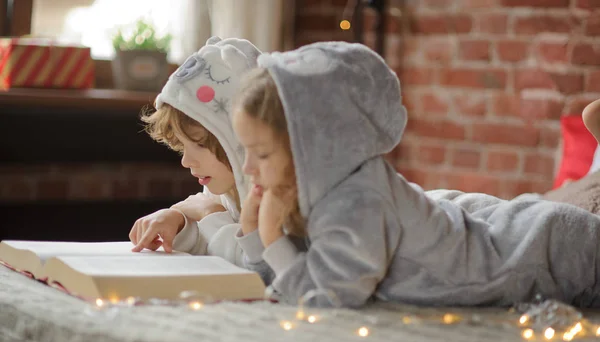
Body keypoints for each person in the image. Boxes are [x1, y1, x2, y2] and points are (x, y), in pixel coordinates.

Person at [232, 41, 600, 309]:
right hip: (490, 233)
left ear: (314, 147)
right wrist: (254, 234)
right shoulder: (326, 185)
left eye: (261, 154)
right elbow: (284, 283)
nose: (248, 168)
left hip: (539, 249)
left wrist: (268, 236)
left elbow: (326, 297)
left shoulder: (355, 200)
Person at [128, 36, 272, 282]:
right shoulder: (225, 190)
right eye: (182, 145)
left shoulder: (276, 195)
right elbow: (213, 243)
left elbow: (260, 267)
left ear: (242, 141)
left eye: (201, 144)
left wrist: (209, 213)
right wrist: (179, 221)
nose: (186, 162)